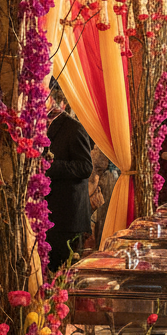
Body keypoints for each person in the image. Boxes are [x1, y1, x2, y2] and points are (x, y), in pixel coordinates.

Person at [44, 83, 93, 271]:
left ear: (59, 103)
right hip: (52, 212)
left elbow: (85, 167)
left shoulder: (73, 128)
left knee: (64, 272)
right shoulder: (43, 127)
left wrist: (51, 166)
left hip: (68, 215)